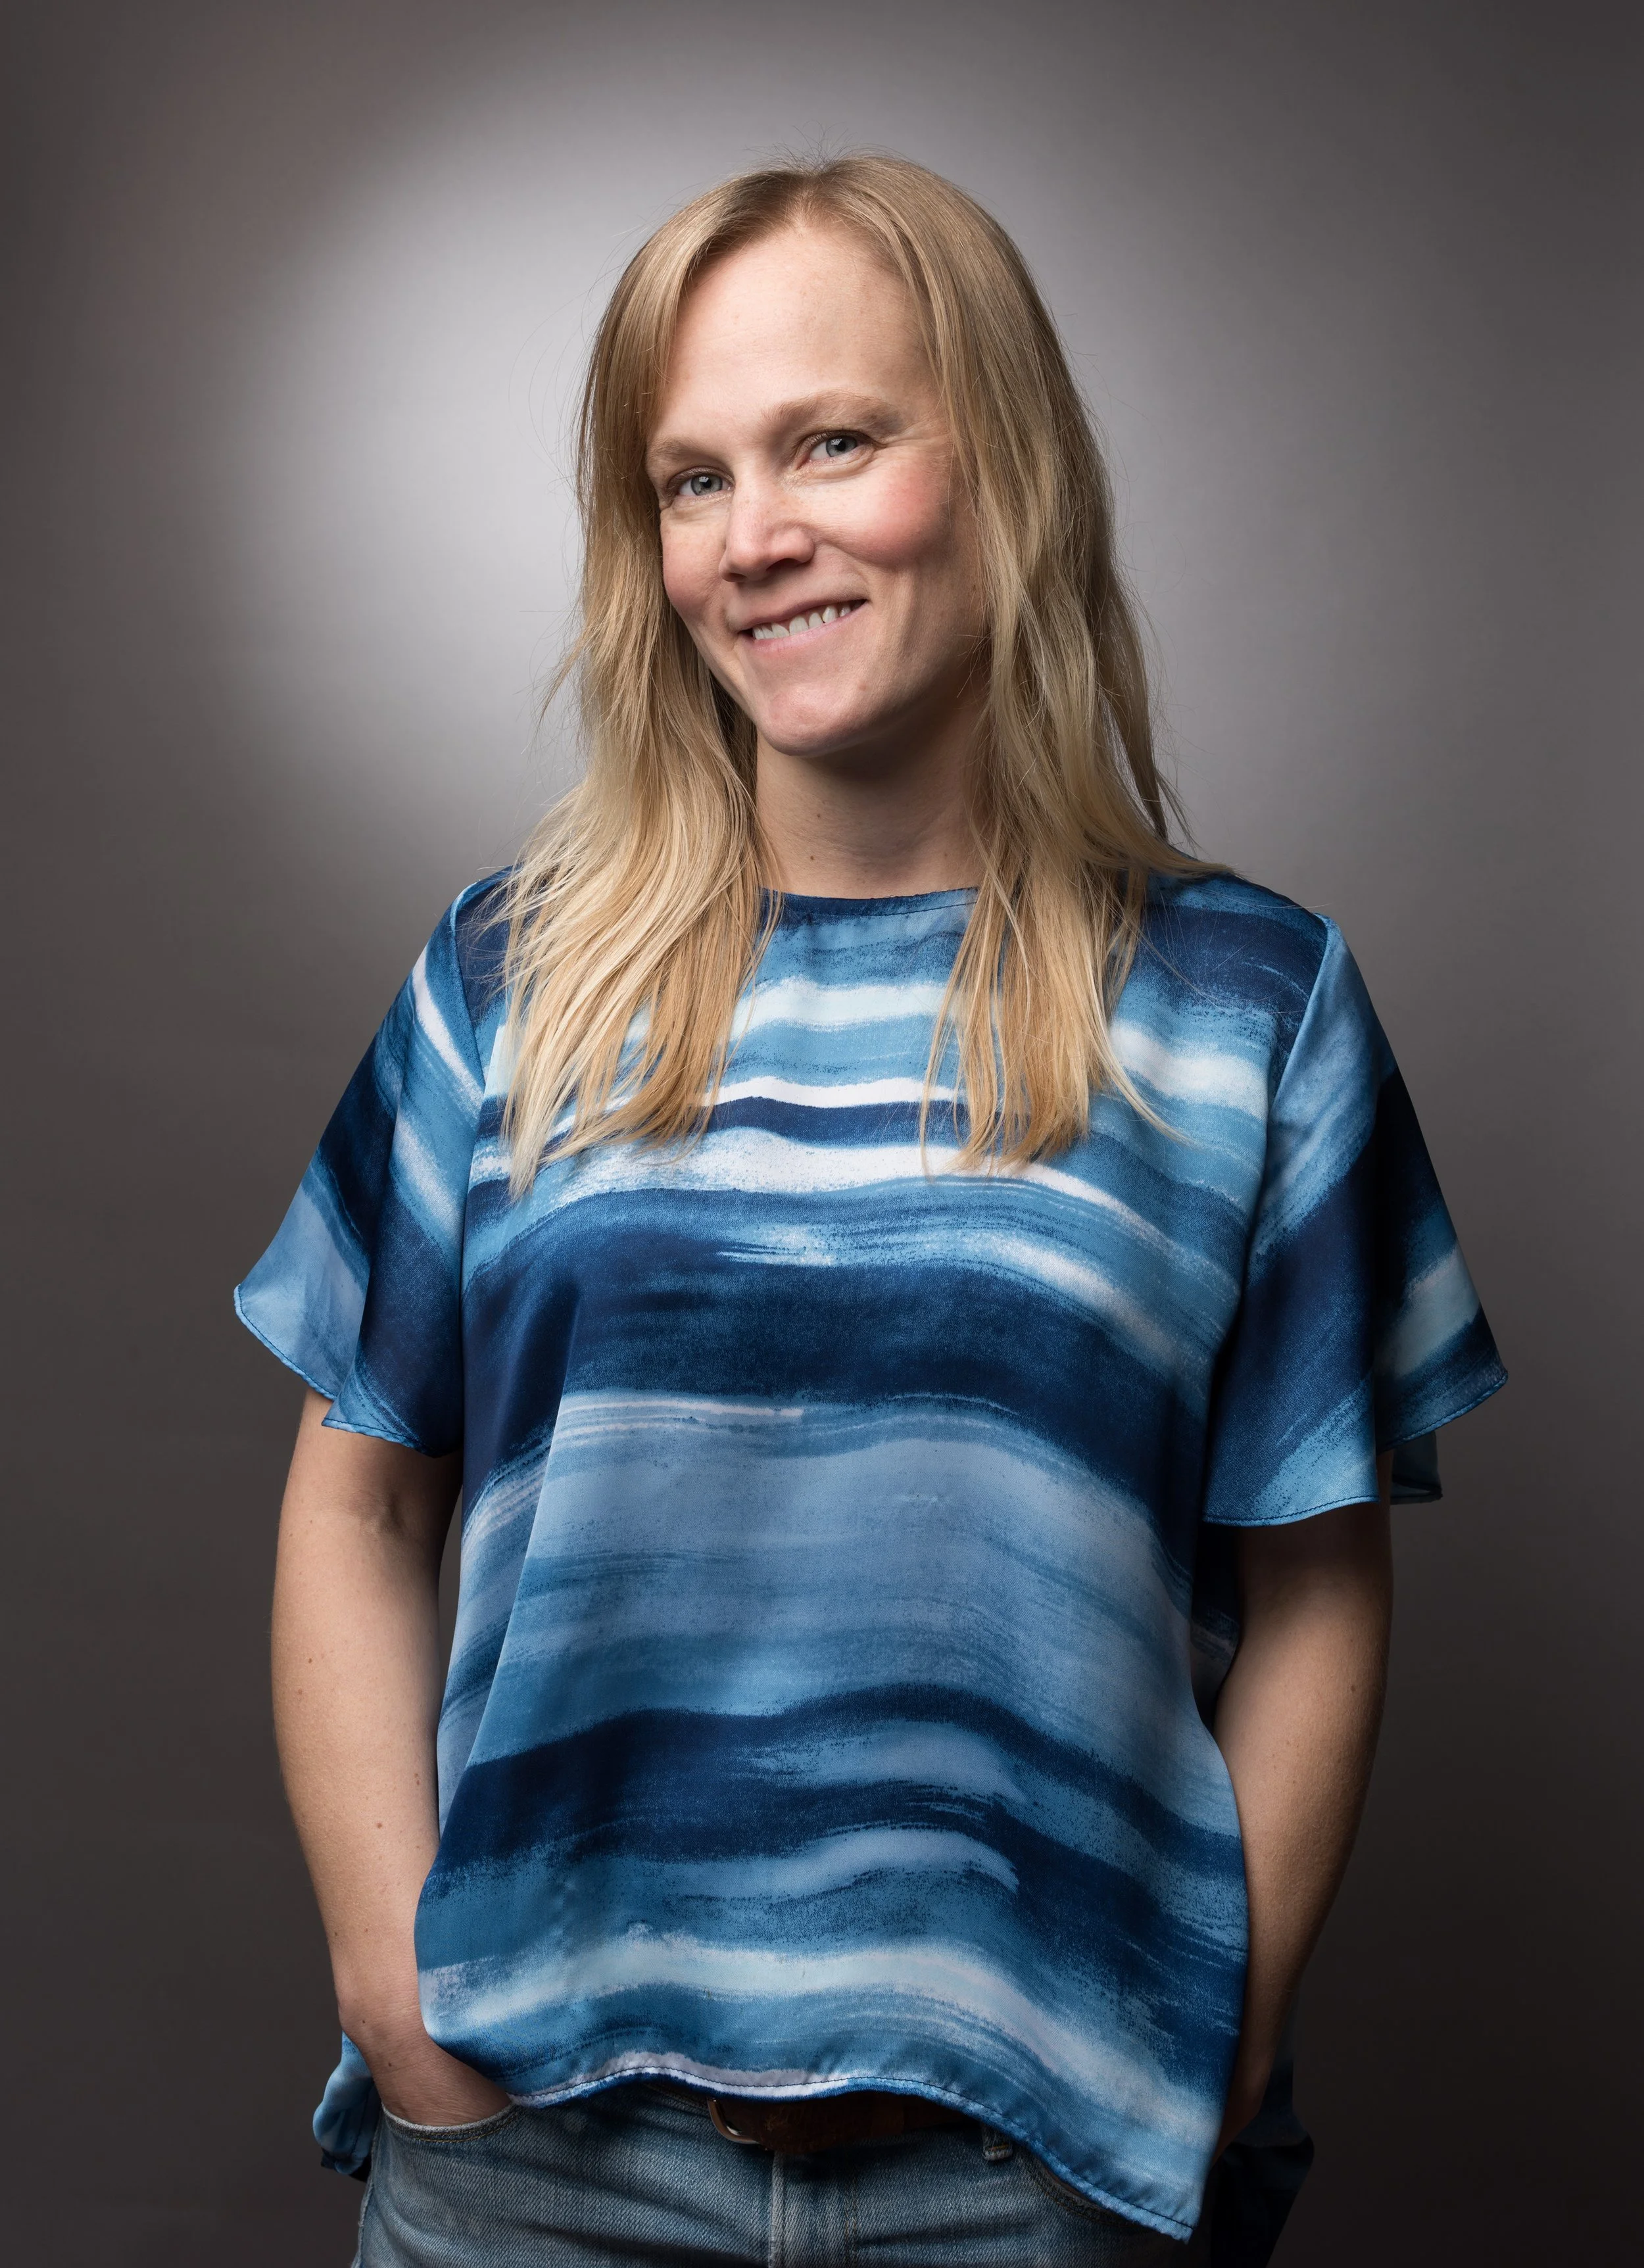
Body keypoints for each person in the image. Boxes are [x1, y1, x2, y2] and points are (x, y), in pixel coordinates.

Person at [237, 155, 1505, 2266]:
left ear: (1002, 467)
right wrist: (395, 1996)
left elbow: (1316, 1589)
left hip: (1031, 2180)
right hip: (533, 2162)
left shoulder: (1247, 1009)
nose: (755, 535)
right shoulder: (506, 982)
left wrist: (1216, 2053)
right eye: (691, 479)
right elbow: (355, 1502)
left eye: (829, 442)